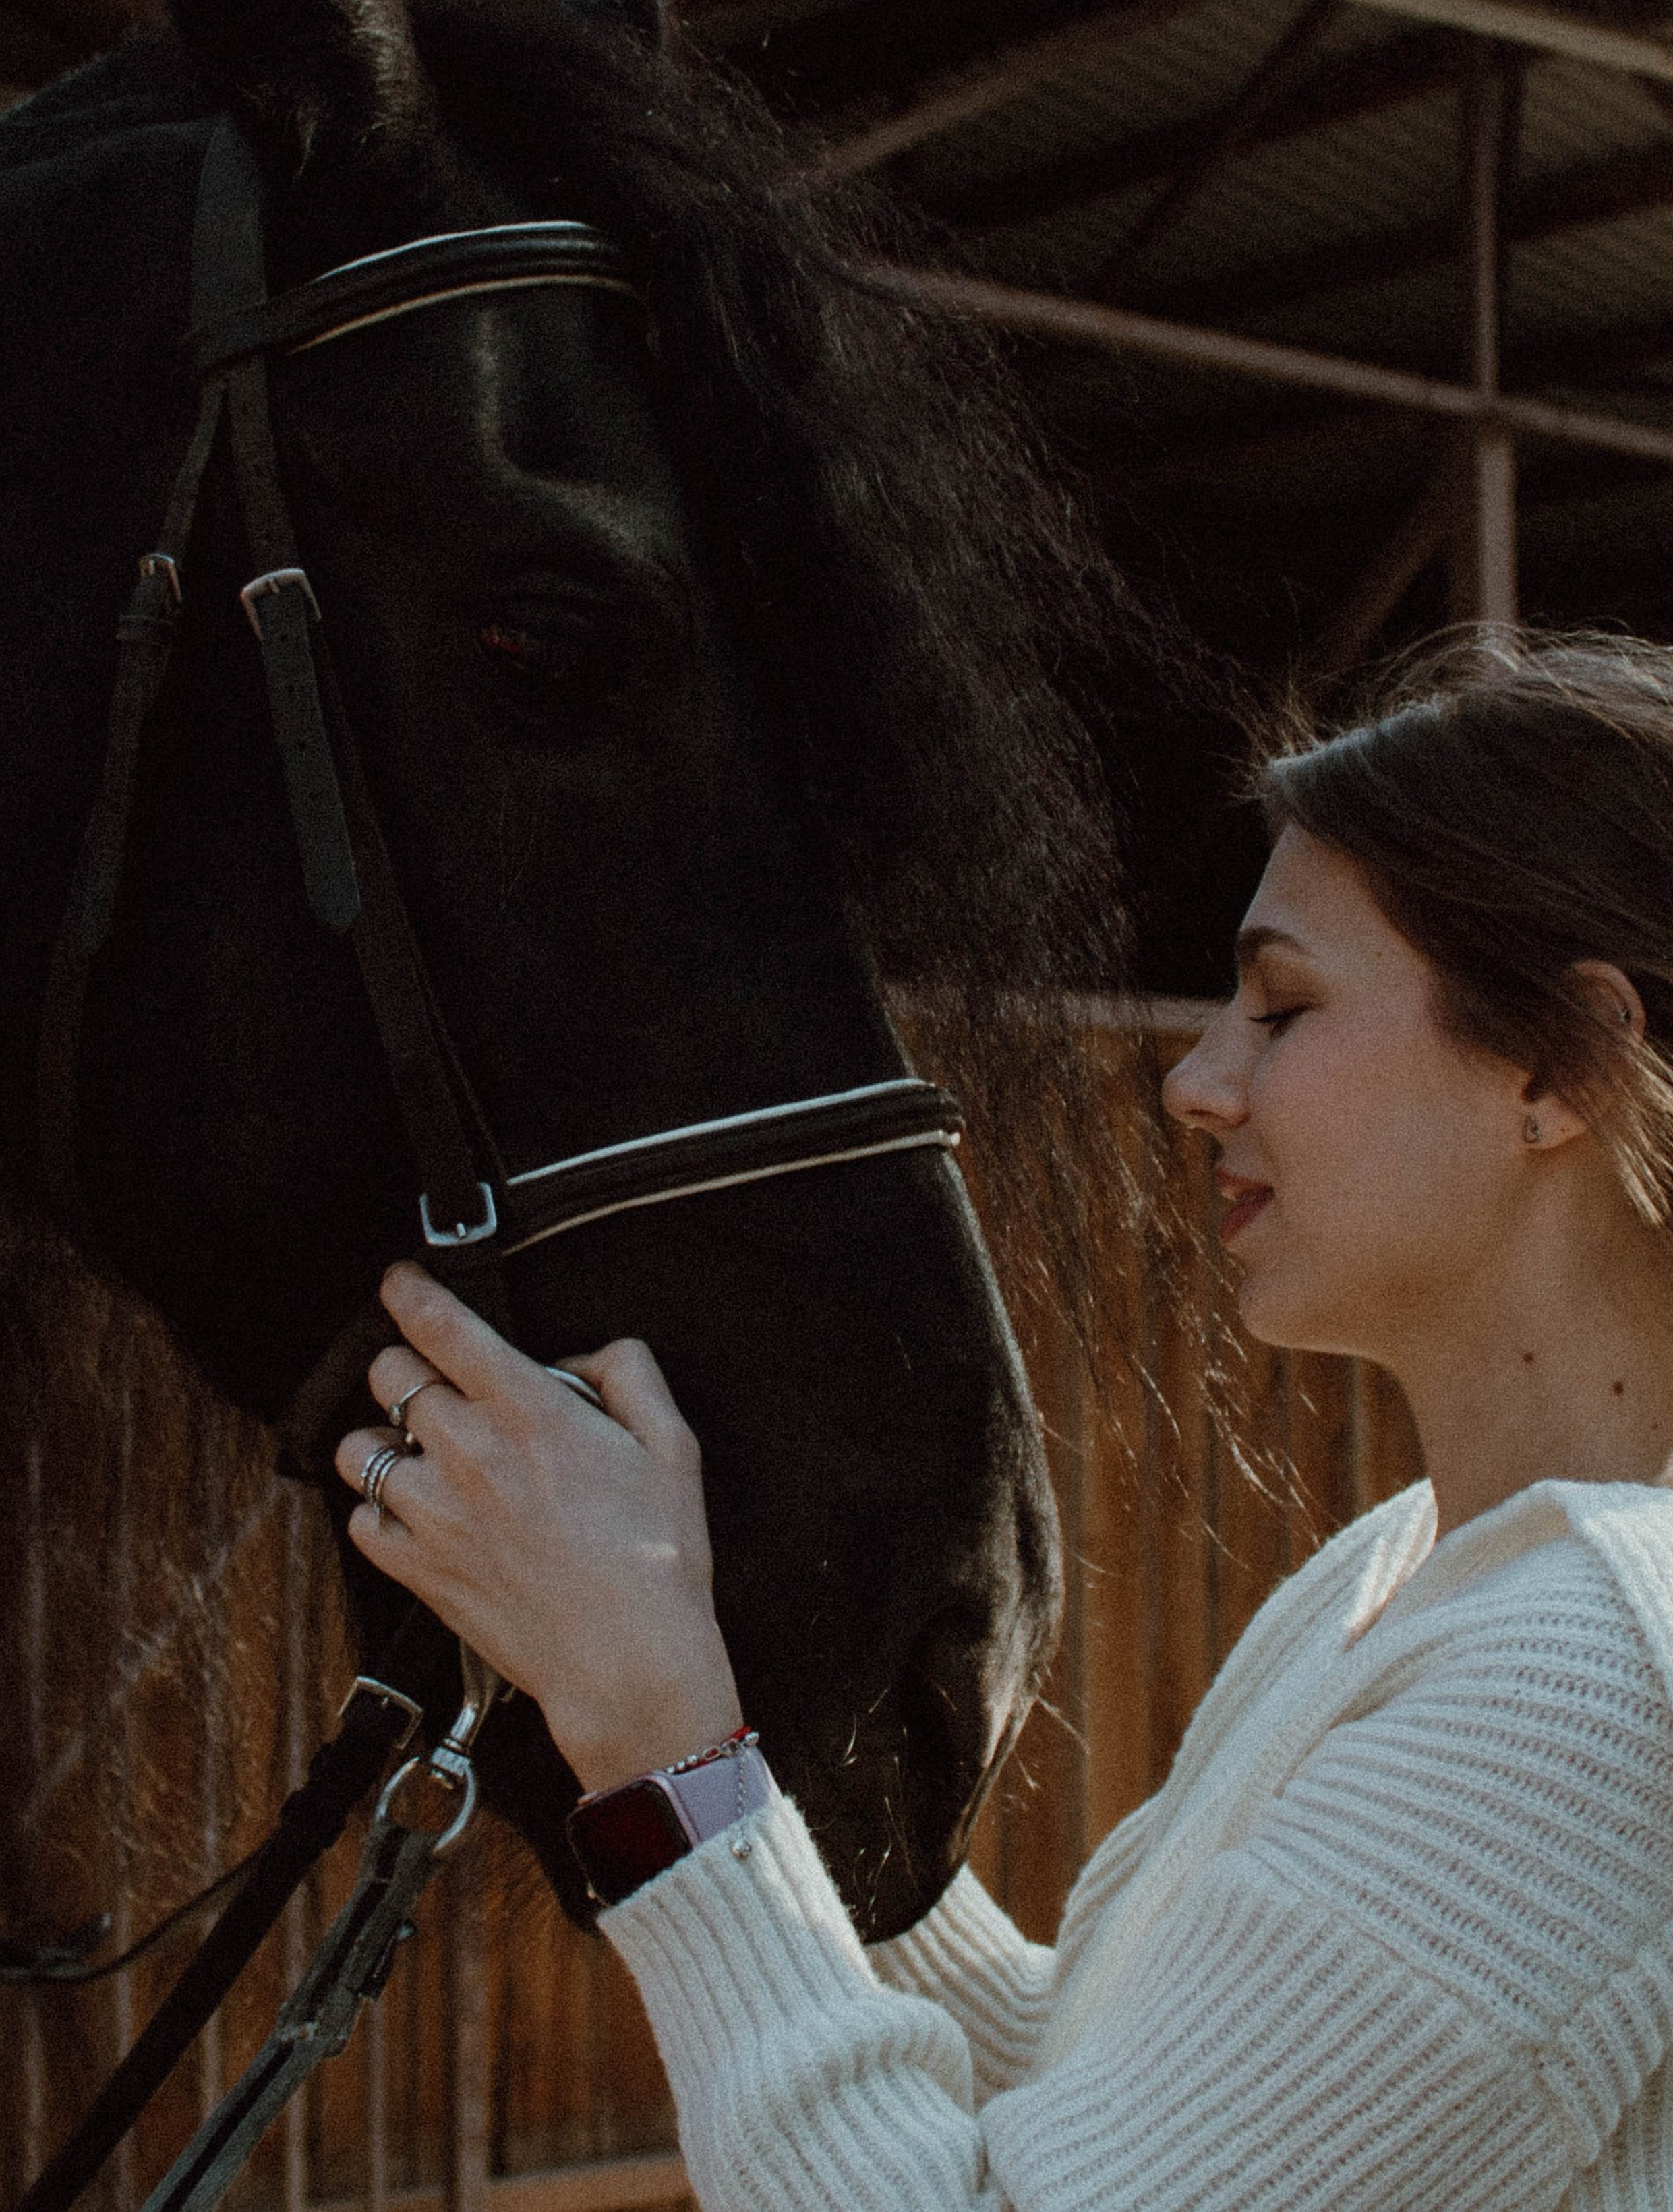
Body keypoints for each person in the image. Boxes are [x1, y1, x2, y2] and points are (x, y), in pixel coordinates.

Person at [336, 628, 1673, 2211]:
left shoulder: (1588, 1680)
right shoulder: (1398, 1575)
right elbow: (1073, 2082)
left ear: (1557, 1067)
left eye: (1281, 1008)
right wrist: (714, 1682)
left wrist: (665, 1753)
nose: (1193, 1081)